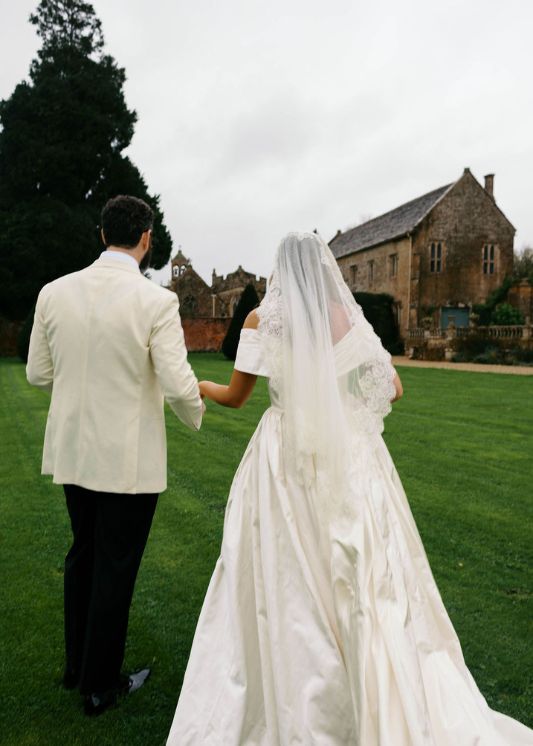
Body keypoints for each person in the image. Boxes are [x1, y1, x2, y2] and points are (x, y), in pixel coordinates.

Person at [167, 232, 533, 745]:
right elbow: (394, 388)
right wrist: (343, 403)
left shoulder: (260, 320)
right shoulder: (347, 317)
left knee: (287, 566)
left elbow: (235, 397)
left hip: (284, 455)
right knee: (358, 567)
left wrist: (200, 387)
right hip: (349, 456)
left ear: (281, 270)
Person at [26, 195, 204, 716]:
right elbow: (178, 385)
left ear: (103, 234)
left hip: (74, 450)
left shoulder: (53, 292)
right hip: (127, 459)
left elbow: (38, 373)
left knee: (83, 553)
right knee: (114, 567)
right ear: (146, 238)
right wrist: (198, 411)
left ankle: (77, 667)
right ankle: (100, 685)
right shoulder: (156, 302)